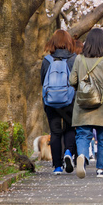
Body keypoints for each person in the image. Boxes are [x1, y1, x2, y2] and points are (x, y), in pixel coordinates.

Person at [69, 27, 103, 178]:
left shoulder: (79, 58)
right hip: (102, 103)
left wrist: (82, 89)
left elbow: (72, 80)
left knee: (83, 134)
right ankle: (101, 169)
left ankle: (82, 156)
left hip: (82, 103)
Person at [40, 29, 78, 174]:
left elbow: (43, 81)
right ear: (69, 42)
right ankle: (68, 152)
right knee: (70, 129)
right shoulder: (74, 59)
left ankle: (57, 166)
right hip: (70, 100)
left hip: (51, 101)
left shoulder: (47, 60)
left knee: (55, 132)